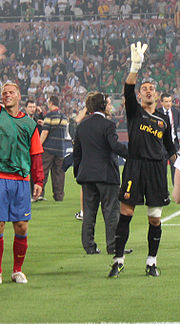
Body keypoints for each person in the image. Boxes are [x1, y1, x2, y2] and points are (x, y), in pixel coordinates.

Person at [108, 42, 177, 278]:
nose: (148, 91)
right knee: (125, 213)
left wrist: (177, 164)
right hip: (134, 167)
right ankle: (118, 260)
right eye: (144, 88)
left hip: (157, 169)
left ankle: (151, 262)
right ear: (139, 95)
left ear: (156, 95)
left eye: (151, 89)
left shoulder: (163, 120)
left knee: (155, 218)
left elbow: (169, 147)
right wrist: (135, 66)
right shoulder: (135, 113)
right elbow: (127, 88)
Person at [0, 44, 44, 285]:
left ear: (19, 96)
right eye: (4, 92)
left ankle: (17, 270)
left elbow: (36, 154)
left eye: (11, 92)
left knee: (20, 225)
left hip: (20, 180)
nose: (6, 94)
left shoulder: (29, 124)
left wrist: (38, 181)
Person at [74, 93, 128, 254]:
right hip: (106, 175)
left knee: (89, 212)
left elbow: (77, 152)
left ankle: (89, 246)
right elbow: (114, 145)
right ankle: (113, 246)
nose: (110, 106)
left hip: (87, 175)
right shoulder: (108, 124)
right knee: (111, 211)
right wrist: (133, 154)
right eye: (109, 104)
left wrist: (78, 173)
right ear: (103, 106)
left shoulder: (82, 125)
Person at [40, 95, 67, 201]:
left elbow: (45, 132)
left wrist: (38, 145)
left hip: (49, 149)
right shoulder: (64, 116)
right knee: (59, 174)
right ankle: (59, 196)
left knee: (43, 171)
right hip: (60, 149)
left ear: (51, 103)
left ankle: (39, 193)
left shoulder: (49, 115)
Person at [157, 93, 180, 185]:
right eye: (166, 101)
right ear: (161, 102)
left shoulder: (176, 112)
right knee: (162, 169)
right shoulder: (157, 113)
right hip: (162, 145)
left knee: (175, 168)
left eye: (170, 101)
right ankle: (163, 191)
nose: (168, 104)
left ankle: (176, 190)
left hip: (173, 144)